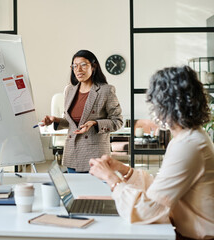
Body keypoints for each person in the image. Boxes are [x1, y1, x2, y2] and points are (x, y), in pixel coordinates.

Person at [89, 66, 214, 239]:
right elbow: (162, 188)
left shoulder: (188, 145)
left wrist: (112, 179)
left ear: (166, 104)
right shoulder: (189, 136)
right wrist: (124, 170)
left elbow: (146, 210)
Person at [41, 50, 123, 173]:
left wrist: (94, 123)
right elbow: (72, 123)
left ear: (93, 66)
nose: (78, 69)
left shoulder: (106, 90)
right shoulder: (69, 90)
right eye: (75, 65)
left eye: (83, 65)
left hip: (95, 156)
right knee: (75, 191)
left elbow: (117, 121)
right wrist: (55, 120)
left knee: (92, 192)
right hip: (72, 155)